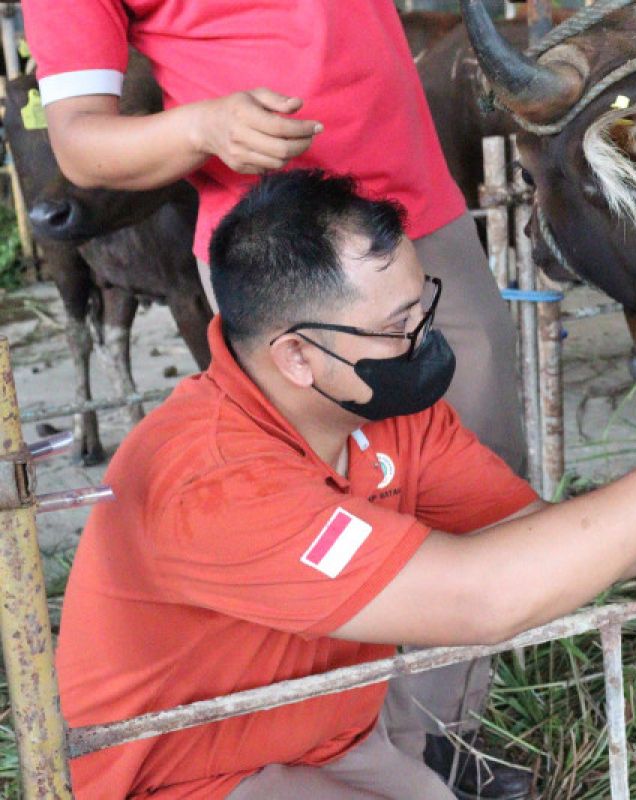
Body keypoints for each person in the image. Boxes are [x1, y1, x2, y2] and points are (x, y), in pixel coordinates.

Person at [54, 169, 636, 798]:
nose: (422, 340)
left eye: (421, 307)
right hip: (180, 777)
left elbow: (533, 548)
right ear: (296, 355)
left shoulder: (381, 409)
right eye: (396, 329)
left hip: (323, 736)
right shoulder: (215, 482)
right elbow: (484, 600)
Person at [21, 1, 530, 792]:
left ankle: (442, 737)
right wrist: (201, 129)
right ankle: (357, 743)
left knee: (477, 470)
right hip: (281, 257)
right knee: (336, 511)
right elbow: (81, 143)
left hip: (415, 209)